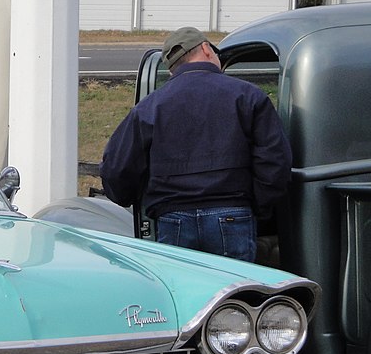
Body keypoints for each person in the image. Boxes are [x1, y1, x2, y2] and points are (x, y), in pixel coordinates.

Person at [100, 26, 291, 263]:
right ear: (205, 49)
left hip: (173, 219)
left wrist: (136, 200)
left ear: (172, 70)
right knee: (231, 296)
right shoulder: (249, 96)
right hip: (232, 216)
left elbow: (116, 170)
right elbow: (275, 163)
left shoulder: (150, 107)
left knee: (183, 295)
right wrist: (257, 208)